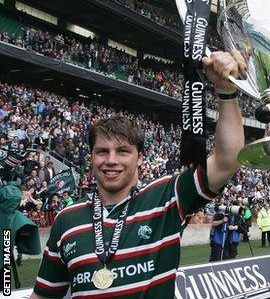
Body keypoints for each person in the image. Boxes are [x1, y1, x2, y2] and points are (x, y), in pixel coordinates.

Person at [29, 51, 245, 299]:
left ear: (140, 157)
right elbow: (43, 297)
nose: (111, 160)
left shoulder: (167, 198)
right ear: (91, 157)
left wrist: (226, 91)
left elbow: (227, 160)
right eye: (102, 151)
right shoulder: (67, 220)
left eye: (123, 151)